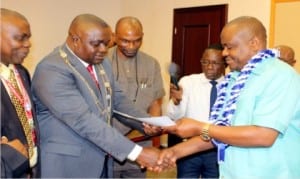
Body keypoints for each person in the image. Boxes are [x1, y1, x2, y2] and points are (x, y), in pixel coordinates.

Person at [158, 16, 300, 178]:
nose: (224, 53)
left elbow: (264, 135)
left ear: (254, 43)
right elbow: (222, 131)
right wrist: (174, 152)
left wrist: (201, 127)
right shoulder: (234, 80)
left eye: (229, 47)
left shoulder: (279, 75)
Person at [31, 13, 163, 178]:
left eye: (107, 43)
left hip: (100, 159)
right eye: (96, 44)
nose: (104, 50)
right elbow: (82, 120)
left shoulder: (101, 62)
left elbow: (118, 99)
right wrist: (136, 153)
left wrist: (145, 121)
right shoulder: (52, 69)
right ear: (75, 39)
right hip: (67, 165)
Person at [107, 16, 165, 178]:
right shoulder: (102, 61)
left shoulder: (151, 63)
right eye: (125, 41)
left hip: (141, 144)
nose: (132, 46)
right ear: (114, 37)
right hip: (109, 144)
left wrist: (154, 129)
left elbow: (155, 101)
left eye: (137, 40)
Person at [166, 44, 226, 178]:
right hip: (189, 148)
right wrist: (176, 101)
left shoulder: (231, 85)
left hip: (217, 149)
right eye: (205, 62)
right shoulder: (188, 82)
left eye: (215, 63)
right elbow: (173, 116)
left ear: (224, 64)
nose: (209, 67)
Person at [0, 8, 40, 178]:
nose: (28, 44)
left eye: (28, 37)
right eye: (20, 38)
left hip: (28, 170)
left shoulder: (22, 72)